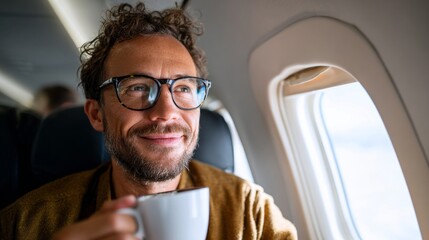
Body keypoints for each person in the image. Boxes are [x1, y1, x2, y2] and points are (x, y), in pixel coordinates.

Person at [0, 2, 297, 239]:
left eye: (182, 88)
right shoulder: (26, 223)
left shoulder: (250, 213)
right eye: (138, 88)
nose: (166, 113)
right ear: (96, 114)